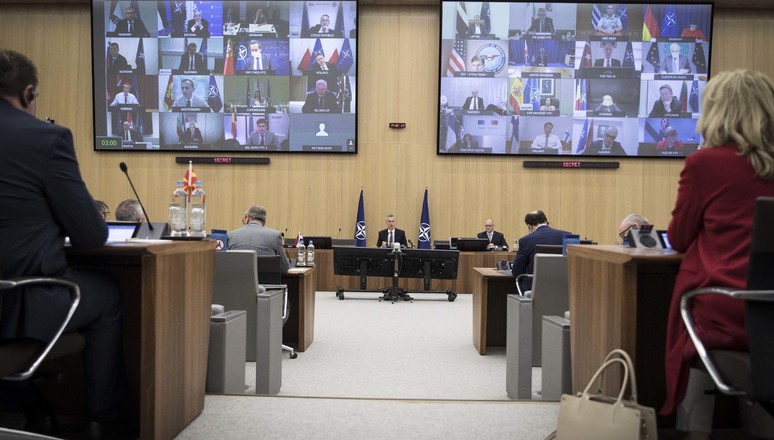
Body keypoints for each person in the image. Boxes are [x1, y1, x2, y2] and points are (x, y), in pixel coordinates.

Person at [0, 49, 126, 437]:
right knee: (107, 293)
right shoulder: (45, 138)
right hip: (17, 300)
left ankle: (21, 409)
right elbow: (92, 236)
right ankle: (101, 423)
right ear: (29, 92)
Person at [662, 69, 774, 438]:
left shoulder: (705, 164)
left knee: (694, 320)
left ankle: (694, 430)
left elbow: (678, 238)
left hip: (731, 310)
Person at [511, 210, 571, 292]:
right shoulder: (567, 236)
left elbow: (516, 271)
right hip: (564, 288)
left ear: (529, 226)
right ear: (546, 222)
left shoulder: (526, 240)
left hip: (535, 290)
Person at [228, 205, 290, 273]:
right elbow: (284, 268)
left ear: (247, 217)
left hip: (237, 282)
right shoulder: (275, 236)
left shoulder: (231, 235)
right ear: (264, 221)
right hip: (266, 282)